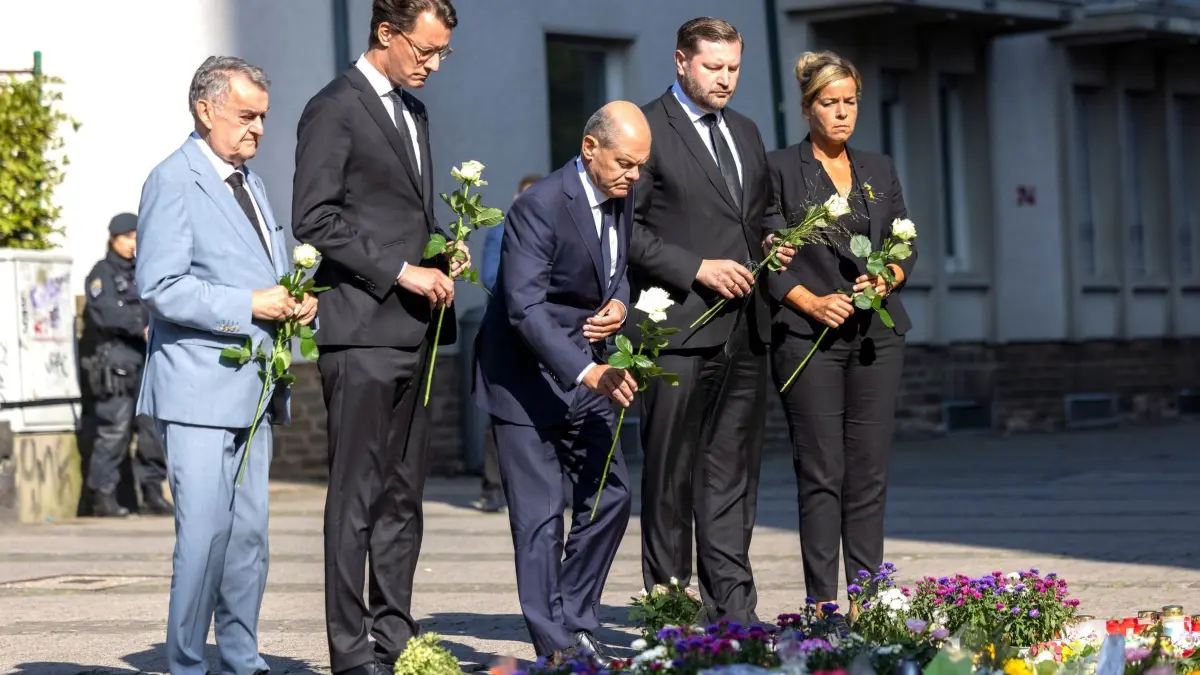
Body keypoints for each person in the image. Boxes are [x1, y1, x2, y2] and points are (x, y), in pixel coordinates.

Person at [290, 2, 466, 673]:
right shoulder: (334, 106)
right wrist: (401, 270)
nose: (433, 64)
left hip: (414, 331)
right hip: (360, 329)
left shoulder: (414, 112)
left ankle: (397, 634)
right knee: (357, 494)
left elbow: (398, 213)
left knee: (403, 495)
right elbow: (314, 215)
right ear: (386, 34)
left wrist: (442, 255)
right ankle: (350, 649)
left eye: (444, 53)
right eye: (426, 50)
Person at [136, 56, 317, 675]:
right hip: (196, 388)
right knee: (205, 537)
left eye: (263, 117)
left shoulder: (252, 183)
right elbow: (158, 286)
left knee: (248, 541)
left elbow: (261, 271)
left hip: (255, 387)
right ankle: (186, 662)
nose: (258, 129)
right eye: (246, 116)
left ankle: (241, 655)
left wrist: (293, 296)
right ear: (205, 109)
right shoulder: (172, 179)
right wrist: (250, 304)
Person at [629, 16, 793, 624]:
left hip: (747, 331)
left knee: (732, 478)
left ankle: (733, 614)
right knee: (670, 477)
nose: (725, 80)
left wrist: (778, 242)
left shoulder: (748, 132)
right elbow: (628, 232)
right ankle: (670, 615)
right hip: (677, 330)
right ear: (680, 62)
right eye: (713, 67)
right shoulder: (645, 128)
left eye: (734, 69)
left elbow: (764, 213)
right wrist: (697, 266)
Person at [473, 101, 649, 664]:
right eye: (626, 162)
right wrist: (588, 369)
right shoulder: (539, 205)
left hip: (587, 368)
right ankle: (556, 645)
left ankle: (575, 616)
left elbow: (621, 268)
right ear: (589, 147)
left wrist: (620, 303)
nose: (635, 175)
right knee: (541, 516)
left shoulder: (623, 193)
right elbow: (524, 308)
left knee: (611, 494)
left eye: (641, 165)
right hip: (525, 377)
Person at [765, 51, 917, 619]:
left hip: (877, 335)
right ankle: (822, 602)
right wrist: (808, 301)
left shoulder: (879, 168)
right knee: (822, 469)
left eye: (850, 102)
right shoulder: (780, 168)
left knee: (869, 471)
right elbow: (768, 250)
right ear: (808, 108)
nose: (843, 113)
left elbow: (907, 242)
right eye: (830, 103)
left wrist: (890, 273)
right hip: (808, 340)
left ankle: (870, 600)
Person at [78, 213, 171, 518]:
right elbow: (104, 313)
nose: (133, 244)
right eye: (127, 237)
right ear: (113, 238)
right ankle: (102, 496)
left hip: (147, 361)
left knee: (152, 430)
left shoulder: (144, 272)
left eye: (136, 237)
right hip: (116, 363)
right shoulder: (100, 273)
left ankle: (153, 493)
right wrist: (139, 326)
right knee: (114, 431)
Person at [473, 172, 541, 514]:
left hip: (543, 331)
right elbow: (488, 277)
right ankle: (492, 486)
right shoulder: (498, 230)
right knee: (498, 409)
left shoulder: (552, 227)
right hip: (506, 330)